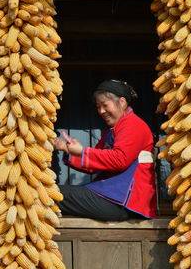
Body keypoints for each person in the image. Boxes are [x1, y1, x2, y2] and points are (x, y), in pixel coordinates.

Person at [54, 79, 157, 221]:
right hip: (111, 196)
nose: (101, 111)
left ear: (122, 102)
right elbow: (95, 165)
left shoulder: (134, 125)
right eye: (98, 107)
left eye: (105, 105)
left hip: (122, 202)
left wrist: (82, 151)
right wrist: (67, 149)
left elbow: (119, 159)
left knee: (49, 193)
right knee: (51, 193)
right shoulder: (112, 131)